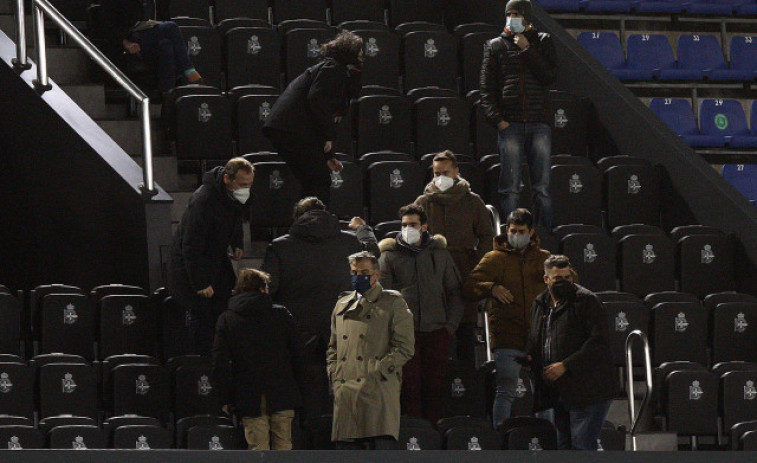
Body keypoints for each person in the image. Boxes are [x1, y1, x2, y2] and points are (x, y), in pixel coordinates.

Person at [261, 197, 378, 417]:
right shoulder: (351, 243)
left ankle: (308, 440)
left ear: (297, 217)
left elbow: (268, 289)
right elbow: (374, 254)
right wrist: (363, 230)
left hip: (298, 330)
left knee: (305, 392)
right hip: (344, 327)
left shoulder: (279, 246)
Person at [378, 204, 465, 425]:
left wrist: (449, 327)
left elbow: (455, 292)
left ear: (424, 226)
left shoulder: (440, 254)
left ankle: (435, 437)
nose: (408, 229)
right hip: (404, 334)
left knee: (436, 387)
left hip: (437, 330)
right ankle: (414, 436)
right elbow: (382, 296)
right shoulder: (389, 256)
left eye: (413, 225)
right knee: (410, 386)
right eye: (404, 225)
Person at [463, 208, 550, 428]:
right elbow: (469, 286)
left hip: (539, 337)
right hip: (507, 336)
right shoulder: (494, 258)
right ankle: (500, 436)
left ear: (531, 232)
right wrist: (491, 288)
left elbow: (569, 281)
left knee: (544, 392)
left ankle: (548, 440)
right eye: (513, 231)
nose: (516, 235)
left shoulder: (545, 259)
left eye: (521, 231)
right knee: (505, 390)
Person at [263, 30, 364, 207]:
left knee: (314, 178)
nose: (363, 55)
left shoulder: (333, 68)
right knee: (317, 179)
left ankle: (309, 222)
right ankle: (314, 224)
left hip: (293, 129)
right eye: (359, 51)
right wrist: (329, 136)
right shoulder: (333, 68)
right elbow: (317, 102)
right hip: (291, 129)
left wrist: (328, 155)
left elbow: (320, 113)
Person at [479, 0, 557, 229]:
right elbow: (486, 88)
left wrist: (527, 49)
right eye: (509, 13)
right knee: (510, 186)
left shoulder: (543, 41)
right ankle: (511, 234)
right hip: (509, 124)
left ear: (527, 17)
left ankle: (543, 235)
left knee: (541, 187)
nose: (511, 17)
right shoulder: (495, 45)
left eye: (516, 13)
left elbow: (549, 76)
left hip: (538, 123)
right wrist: (498, 120)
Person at [525, 255, 616, 450]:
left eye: (568, 278)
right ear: (546, 279)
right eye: (558, 278)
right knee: (564, 445)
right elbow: (536, 338)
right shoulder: (540, 304)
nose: (564, 282)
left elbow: (598, 343)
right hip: (560, 390)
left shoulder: (587, 301)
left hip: (588, 389)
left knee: (582, 446)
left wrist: (566, 365)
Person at [327, 251, 415, 449]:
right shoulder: (341, 304)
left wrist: (379, 369)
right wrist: (334, 373)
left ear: (376, 274)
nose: (358, 277)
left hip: (378, 390)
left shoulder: (393, 302)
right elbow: (333, 347)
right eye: (354, 272)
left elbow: (405, 347)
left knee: (380, 451)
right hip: (346, 392)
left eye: (364, 272)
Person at [212, 268, 306, 450]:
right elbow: (299, 354)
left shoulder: (227, 319)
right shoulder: (281, 314)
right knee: (284, 445)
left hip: (248, 394)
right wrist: (301, 390)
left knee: (258, 449)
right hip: (283, 391)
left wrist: (224, 397)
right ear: (263, 288)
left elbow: (220, 363)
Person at [413, 150, 494, 362]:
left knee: (465, 327)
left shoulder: (473, 201)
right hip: (432, 269)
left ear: (456, 172)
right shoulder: (423, 202)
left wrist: (478, 262)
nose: (440, 178)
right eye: (436, 173)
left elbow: (487, 234)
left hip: (464, 268)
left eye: (445, 173)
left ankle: (466, 380)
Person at [167, 157, 254, 355]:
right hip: (191, 266)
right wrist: (200, 283)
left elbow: (235, 216)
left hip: (215, 258)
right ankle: (201, 363)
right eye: (242, 185)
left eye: (249, 185)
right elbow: (189, 247)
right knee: (203, 319)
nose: (246, 190)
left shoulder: (234, 195)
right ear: (227, 179)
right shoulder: (203, 201)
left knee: (227, 303)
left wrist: (237, 242)